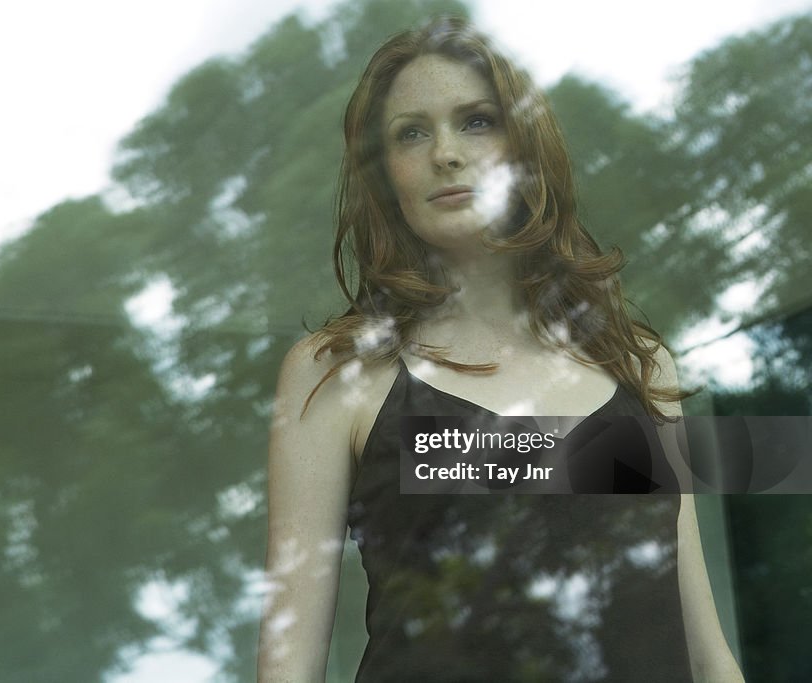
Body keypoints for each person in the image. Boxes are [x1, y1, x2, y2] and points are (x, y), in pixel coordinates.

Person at [257, 16, 744, 682]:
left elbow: (705, 651)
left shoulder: (639, 364)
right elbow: (289, 665)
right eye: (412, 132)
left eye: (477, 121)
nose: (446, 153)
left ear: (524, 149)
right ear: (385, 174)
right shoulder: (338, 373)